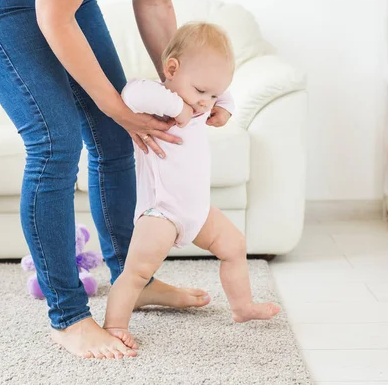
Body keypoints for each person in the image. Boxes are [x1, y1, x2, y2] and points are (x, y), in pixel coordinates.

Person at [0, 0, 215, 360]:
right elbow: (53, 15)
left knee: (117, 139)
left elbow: (155, 0)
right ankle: (68, 316)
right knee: (55, 143)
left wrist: (184, 92)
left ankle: (133, 280)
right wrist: (119, 111)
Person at [102, 23, 281, 348]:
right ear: (172, 69)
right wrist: (177, 108)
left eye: (212, 95)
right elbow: (132, 91)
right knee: (137, 273)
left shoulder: (201, 98)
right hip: (161, 213)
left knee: (234, 246)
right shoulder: (158, 100)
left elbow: (218, 90)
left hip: (197, 211)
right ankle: (114, 326)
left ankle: (242, 307)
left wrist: (225, 106)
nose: (204, 103)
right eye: (201, 92)